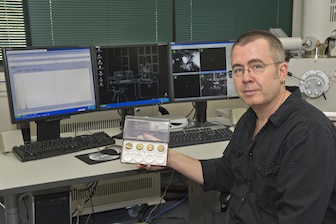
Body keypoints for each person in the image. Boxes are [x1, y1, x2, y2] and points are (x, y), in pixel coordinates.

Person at [138, 30, 336, 224]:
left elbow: (298, 218)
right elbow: (225, 173)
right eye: (239, 69)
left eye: (256, 66)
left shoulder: (308, 134)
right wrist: (169, 157)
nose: (246, 78)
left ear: (281, 71)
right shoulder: (250, 119)